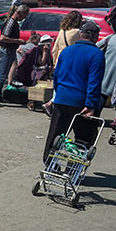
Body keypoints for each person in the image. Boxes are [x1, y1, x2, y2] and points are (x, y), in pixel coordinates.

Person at [42, 21, 105, 162]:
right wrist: (90, 105)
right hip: (81, 102)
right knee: (83, 138)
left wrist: (58, 94)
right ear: (95, 37)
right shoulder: (96, 54)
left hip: (62, 99)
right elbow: (94, 82)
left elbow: (56, 75)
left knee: (55, 134)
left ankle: (49, 163)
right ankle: (73, 169)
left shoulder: (66, 51)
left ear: (81, 35)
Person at [0, 4, 30, 106]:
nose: (24, 18)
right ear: (18, 13)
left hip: (10, 50)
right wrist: (17, 41)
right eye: (24, 15)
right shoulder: (11, 22)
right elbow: (3, 38)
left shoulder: (13, 22)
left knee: (4, 75)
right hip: (6, 50)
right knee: (2, 76)